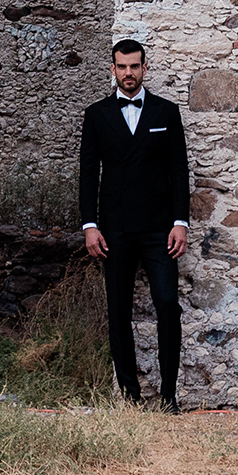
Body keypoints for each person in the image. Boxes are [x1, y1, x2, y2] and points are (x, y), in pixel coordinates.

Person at [79, 38, 191, 411]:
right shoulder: (96, 115)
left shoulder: (166, 112)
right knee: (118, 312)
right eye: (122, 67)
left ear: (145, 68)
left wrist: (180, 223)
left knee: (167, 305)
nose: (129, 73)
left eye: (135, 66)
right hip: (114, 230)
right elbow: (87, 175)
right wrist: (89, 225)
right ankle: (130, 397)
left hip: (160, 229)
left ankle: (169, 395)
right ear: (113, 69)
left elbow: (179, 172)